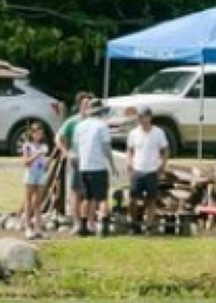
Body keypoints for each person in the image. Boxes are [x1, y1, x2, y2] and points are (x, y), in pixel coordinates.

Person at [74, 99, 116, 237]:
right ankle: (102, 226)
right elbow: (106, 147)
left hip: (83, 166)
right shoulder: (101, 126)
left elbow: (77, 145)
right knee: (102, 198)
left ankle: (83, 226)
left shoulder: (80, 126)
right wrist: (112, 164)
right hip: (98, 166)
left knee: (86, 197)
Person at [126, 106, 169, 234]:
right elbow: (130, 149)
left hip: (152, 170)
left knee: (151, 199)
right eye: (140, 117)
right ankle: (133, 223)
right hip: (137, 170)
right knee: (133, 198)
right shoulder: (133, 133)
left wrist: (162, 165)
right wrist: (129, 162)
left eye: (145, 116)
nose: (143, 120)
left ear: (150, 117)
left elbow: (165, 149)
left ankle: (149, 225)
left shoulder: (158, 132)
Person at [54, 91, 93, 231]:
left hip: (92, 161)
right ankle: (76, 222)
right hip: (77, 160)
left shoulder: (95, 122)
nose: (87, 107)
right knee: (76, 192)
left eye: (90, 104)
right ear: (79, 105)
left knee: (90, 193)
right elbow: (58, 138)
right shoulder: (72, 122)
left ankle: (88, 221)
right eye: (85, 104)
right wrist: (66, 153)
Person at [19, 121, 51, 239]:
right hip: (31, 174)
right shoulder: (27, 146)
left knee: (38, 202)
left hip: (41, 173)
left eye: (40, 133)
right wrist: (37, 154)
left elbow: (44, 162)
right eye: (36, 132)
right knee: (28, 201)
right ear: (32, 133)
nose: (38, 135)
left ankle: (38, 228)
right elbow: (25, 162)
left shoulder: (44, 146)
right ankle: (28, 227)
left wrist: (47, 163)